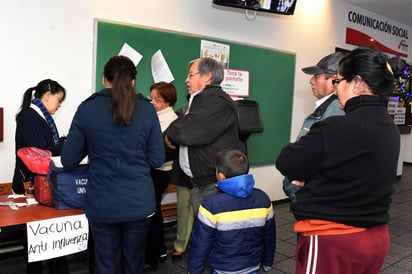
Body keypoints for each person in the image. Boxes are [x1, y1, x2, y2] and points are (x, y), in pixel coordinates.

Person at [275, 47, 400, 274]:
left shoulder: (336, 127)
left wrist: (312, 180)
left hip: (332, 238)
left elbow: (286, 161)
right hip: (375, 237)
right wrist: (320, 180)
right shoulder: (388, 127)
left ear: (356, 83)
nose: (336, 88)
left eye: (338, 81)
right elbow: (358, 173)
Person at [61, 55, 165, 274]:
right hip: (139, 202)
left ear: (103, 79)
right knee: (134, 265)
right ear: (133, 81)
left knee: (107, 266)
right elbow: (157, 159)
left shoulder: (87, 109)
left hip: (102, 202)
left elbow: (68, 160)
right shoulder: (147, 110)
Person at [165, 57, 245, 219]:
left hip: (212, 186)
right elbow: (181, 127)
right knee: (205, 234)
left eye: (191, 75)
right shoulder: (200, 101)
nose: (186, 80)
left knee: (213, 235)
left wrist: (170, 135)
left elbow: (184, 133)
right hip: (201, 184)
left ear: (207, 77)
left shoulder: (215, 101)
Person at [12, 79, 69, 274]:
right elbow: (41, 152)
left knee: (52, 240)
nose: (59, 105)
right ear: (47, 96)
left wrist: (62, 142)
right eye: (58, 99)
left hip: (43, 185)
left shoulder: (40, 117)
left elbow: (46, 147)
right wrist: (67, 144)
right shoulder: (30, 117)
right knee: (35, 243)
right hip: (30, 186)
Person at [188, 149, 276, 274]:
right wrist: (267, 262)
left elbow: (201, 244)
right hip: (253, 265)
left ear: (221, 175)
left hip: (222, 268)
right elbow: (269, 236)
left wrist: (194, 271)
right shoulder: (263, 199)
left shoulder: (211, 205)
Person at [282, 52, 345, 202]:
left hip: (314, 200)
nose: (311, 81)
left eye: (317, 76)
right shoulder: (328, 108)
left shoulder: (334, 112)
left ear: (334, 81)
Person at [144, 81, 178, 271]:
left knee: (152, 211)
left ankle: (153, 255)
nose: (153, 102)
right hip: (152, 169)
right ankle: (159, 250)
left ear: (168, 100)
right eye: (152, 98)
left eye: (158, 99)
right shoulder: (155, 114)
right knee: (153, 210)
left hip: (160, 171)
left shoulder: (171, 119)